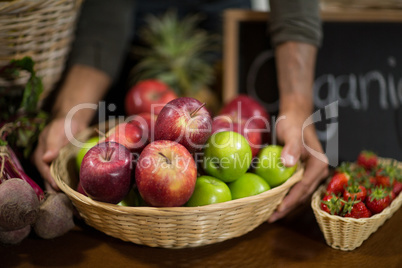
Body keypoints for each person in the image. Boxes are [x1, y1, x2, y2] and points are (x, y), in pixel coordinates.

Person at [33, 0, 329, 222]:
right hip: (136, 33)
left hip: (224, 26)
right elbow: (106, 14)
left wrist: (297, 107)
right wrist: (68, 114)